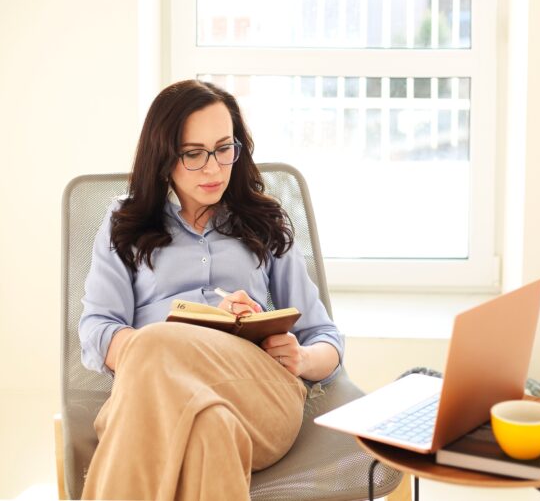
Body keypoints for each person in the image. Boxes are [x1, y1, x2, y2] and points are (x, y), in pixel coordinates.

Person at [78, 79, 343, 500]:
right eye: (194, 154)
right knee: (209, 427)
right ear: (164, 157)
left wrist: (301, 355)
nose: (214, 168)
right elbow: (97, 328)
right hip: (161, 397)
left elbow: (326, 339)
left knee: (155, 345)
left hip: (261, 395)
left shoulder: (265, 219)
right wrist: (169, 344)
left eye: (224, 149)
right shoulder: (123, 222)